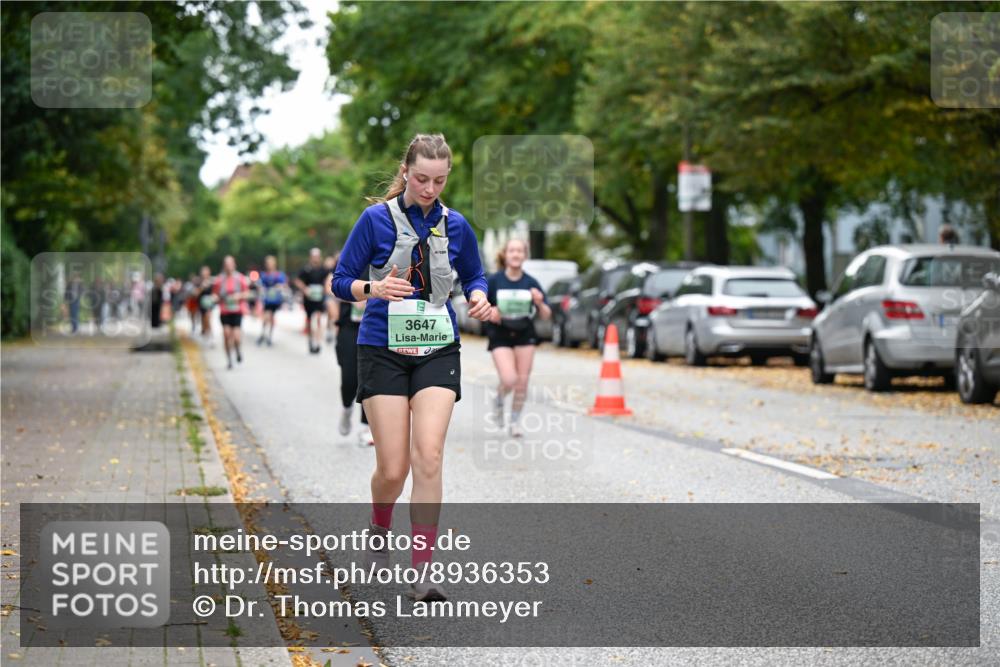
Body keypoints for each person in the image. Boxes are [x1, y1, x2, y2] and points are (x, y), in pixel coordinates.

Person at [331, 133, 492, 602]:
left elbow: (475, 274)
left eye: (439, 180)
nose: (429, 188)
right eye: (421, 178)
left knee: (430, 455)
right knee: (393, 467)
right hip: (381, 346)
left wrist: (478, 295)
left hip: (437, 346)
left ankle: (423, 572)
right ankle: (379, 525)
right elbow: (341, 280)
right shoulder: (374, 220)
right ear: (406, 172)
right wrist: (372, 289)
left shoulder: (456, 224)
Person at [485, 239, 552, 437]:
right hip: (500, 334)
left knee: (522, 382)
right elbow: (475, 308)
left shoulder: (531, 282)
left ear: (525, 255)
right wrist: (490, 311)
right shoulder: (494, 281)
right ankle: (499, 399)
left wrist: (539, 303)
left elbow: (547, 315)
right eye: (512, 251)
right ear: (505, 255)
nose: (515, 254)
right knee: (510, 379)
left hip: (524, 333)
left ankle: (514, 421)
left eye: (519, 251)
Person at [330, 255, 373, 446]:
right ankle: (347, 408)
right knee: (349, 378)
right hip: (349, 327)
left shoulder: (386, 260)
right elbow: (332, 287)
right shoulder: (351, 259)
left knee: (371, 377)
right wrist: (353, 295)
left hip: (374, 328)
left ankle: (366, 427)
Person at [212, 255, 251, 370]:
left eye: (230, 264)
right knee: (226, 334)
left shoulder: (240, 278)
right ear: (224, 266)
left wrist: (238, 296)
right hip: (224, 311)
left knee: (237, 337)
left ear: (234, 265)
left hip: (237, 310)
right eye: (226, 264)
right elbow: (215, 294)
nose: (228, 267)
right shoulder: (219, 280)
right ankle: (229, 360)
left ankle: (238, 350)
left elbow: (247, 293)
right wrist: (214, 298)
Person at [296, 248, 329, 354]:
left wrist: (325, 289)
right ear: (311, 257)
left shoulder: (323, 269)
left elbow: (328, 280)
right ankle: (310, 340)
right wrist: (305, 289)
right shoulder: (306, 269)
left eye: (317, 256)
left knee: (319, 318)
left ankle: (318, 343)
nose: (316, 259)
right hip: (309, 299)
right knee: (310, 321)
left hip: (319, 298)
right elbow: (298, 280)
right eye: (314, 256)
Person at [257, 255, 287, 346]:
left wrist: (278, 287)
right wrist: (261, 289)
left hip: (275, 300)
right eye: (267, 263)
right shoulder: (264, 275)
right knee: (266, 316)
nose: (269, 265)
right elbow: (259, 285)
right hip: (267, 300)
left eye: (270, 263)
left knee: (271, 316)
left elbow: (283, 284)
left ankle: (269, 335)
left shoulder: (279, 275)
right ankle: (263, 333)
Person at [195, 265, 215, 346]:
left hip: (209, 303)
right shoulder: (199, 282)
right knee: (204, 320)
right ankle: (205, 333)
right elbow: (196, 293)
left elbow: (215, 292)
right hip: (201, 303)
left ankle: (210, 335)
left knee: (208, 318)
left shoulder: (212, 281)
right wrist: (202, 287)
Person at [324, 255, 339, 345]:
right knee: (334, 317)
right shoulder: (331, 274)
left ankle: (333, 333)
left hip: (341, 299)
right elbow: (327, 289)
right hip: (332, 298)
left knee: (334, 317)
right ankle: (333, 333)